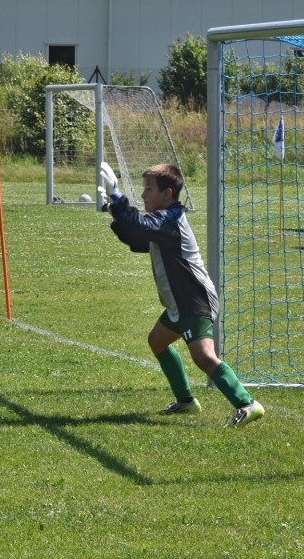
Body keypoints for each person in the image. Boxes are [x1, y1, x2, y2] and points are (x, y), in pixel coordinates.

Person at [100, 162, 264, 427]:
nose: (143, 195)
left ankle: (247, 404)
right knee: (157, 341)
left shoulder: (170, 218)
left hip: (193, 299)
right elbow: (137, 239)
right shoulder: (163, 220)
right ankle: (186, 402)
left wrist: (118, 198)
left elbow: (140, 226)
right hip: (180, 302)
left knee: (203, 356)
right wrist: (114, 211)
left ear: (167, 193)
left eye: (149, 189)